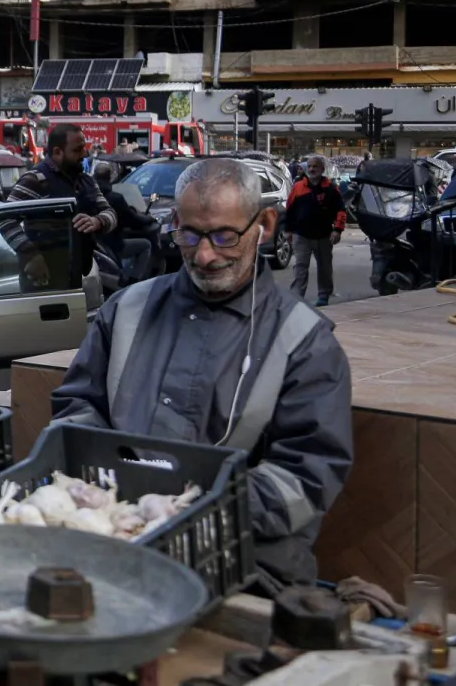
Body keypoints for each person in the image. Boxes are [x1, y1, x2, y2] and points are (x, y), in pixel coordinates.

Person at [53, 158, 353, 592]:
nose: (206, 254)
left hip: (245, 569)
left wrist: (192, 515)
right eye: (190, 235)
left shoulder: (304, 340)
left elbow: (308, 474)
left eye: (224, 237)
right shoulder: (126, 311)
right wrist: (109, 504)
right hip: (115, 545)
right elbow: (76, 409)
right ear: (174, 223)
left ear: (264, 224)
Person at [5, 124, 118, 241]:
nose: (84, 154)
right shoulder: (35, 179)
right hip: (49, 258)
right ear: (57, 152)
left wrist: (98, 221)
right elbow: (5, 221)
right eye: (77, 150)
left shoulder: (86, 181)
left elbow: (110, 213)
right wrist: (30, 254)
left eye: (84, 148)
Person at [286, 156, 346, 308]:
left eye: (315, 166)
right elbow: (290, 210)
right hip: (301, 235)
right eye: (310, 166)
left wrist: (337, 230)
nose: (312, 169)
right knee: (300, 266)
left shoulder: (331, 189)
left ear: (322, 169)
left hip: (323, 236)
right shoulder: (298, 187)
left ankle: (324, 295)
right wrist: (288, 230)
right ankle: (296, 297)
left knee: (324, 267)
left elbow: (341, 211)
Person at [93, 160, 160, 281]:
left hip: (97, 244)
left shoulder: (87, 196)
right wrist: (149, 219)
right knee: (146, 245)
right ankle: (134, 280)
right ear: (110, 177)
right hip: (113, 244)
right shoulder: (115, 198)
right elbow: (133, 220)